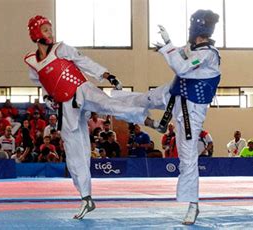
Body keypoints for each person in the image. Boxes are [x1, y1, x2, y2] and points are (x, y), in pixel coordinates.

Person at [24, 15, 157, 220]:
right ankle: (86, 197)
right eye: (46, 30)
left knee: (109, 105)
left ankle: (148, 120)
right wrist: (47, 96)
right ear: (35, 34)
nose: (51, 33)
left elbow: (83, 61)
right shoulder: (32, 62)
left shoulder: (61, 48)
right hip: (66, 106)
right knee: (74, 150)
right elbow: (42, 82)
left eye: (50, 29)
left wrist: (106, 75)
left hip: (82, 89)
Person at [111, 9, 220, 225]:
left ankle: (193, 205)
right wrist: (169, 42)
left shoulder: (209, 54)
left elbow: (181, 67)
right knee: (142, 99)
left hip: (191, 109)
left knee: (188, 157)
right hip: (173, 93)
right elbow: (180, 56)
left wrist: (166, 47)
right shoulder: (192, 48)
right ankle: (115, 100)